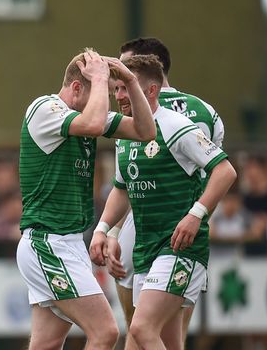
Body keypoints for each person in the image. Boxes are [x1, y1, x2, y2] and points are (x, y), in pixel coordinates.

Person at [90, 54, 237, 350]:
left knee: (141, 331)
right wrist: (104, 230)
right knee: (161, 342)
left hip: (179, 248)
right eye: (116, 89)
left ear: (152, 91)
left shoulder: (176, 126)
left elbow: (225, 171)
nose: (119, 96)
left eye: (125, 88)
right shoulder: (126, 132)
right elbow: (122, 188)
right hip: (147, 250)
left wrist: (196, 214)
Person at [16, 49, 156, 350]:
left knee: (47, 343)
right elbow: (94, 124)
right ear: (78, 88)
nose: (106, 101)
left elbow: (146, 131)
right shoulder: (45, 108)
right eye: (102, 93)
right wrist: (103, 76)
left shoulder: (85, 116)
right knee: (105, 332)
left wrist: (131, 81)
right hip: (47, 243)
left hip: (67, 243)